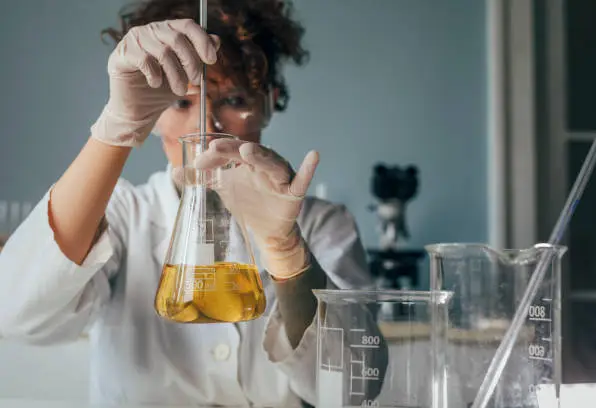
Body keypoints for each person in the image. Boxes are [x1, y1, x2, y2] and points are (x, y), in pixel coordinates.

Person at [0, 0, 385, 406]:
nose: (209, 128)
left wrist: (287, 251)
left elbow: (353, 390)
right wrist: (115, 126)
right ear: (151, 113)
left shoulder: (323, 225)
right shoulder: (125, 214)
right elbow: (15, 315)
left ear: (269, 103)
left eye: (235, 100)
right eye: (181, 102)